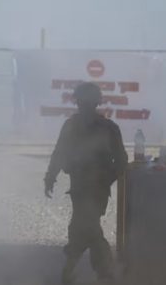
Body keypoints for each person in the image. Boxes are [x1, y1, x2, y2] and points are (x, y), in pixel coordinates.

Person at [44, 82, 128, 284]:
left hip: (91, 188)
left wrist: (51, 177)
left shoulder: (101, 128)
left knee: (83, 226)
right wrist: (50, 176)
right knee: (86, 226)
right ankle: (102, 271)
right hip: (84, 188)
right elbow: (60, 153)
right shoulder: (107, 128)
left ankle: (82, 269)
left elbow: (122, 161)